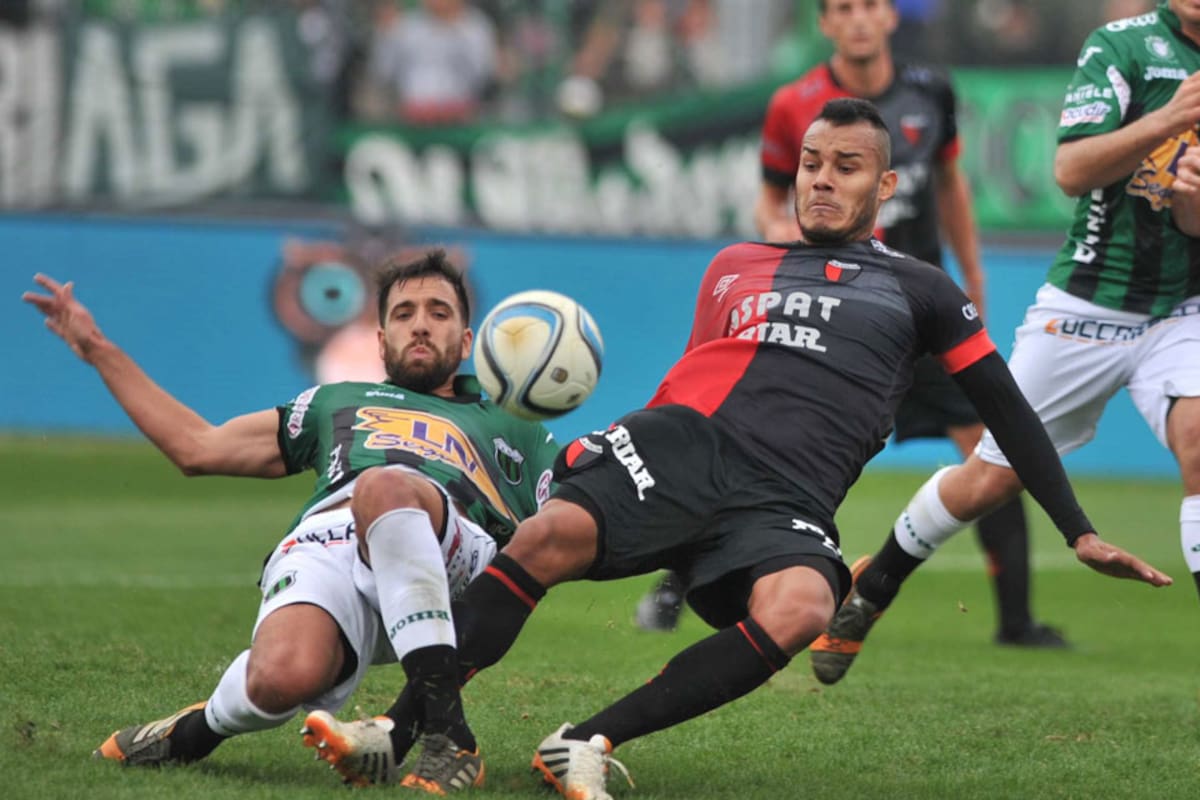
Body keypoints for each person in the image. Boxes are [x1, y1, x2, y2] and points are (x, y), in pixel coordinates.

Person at [301, 99, 1171, 799]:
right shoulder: (734, 265)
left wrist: (1076, 528)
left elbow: (1009, 411)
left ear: (887, 185)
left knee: (802, 609)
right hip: (683, 446)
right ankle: (406, 733)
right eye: (813, 165)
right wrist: (606, 456)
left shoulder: (923, 291)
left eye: (847, 168)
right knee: (547, 538)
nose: (823, 182)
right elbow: (698, 378)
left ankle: (585, 742)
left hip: (786, 496)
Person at [22, 250, 559, 793]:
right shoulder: (337, 402)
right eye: (404, 313)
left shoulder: (514, 425)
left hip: (447, 551)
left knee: (387, 483)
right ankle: (194, 731)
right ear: (380, 341)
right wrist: (97, 349)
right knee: (281, 678)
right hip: (333, 537)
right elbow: (197, 448)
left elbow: (574, 521)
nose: (420, 323)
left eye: (439, 312)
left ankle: (448, 738)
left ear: (468, 342)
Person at [640, 0, 1064, 650]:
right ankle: (675, 577)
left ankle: (1016, 621)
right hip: (830, 312)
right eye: (843, 8)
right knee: (749, 444)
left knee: (991, 450)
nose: (859, 19)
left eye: (870, 6)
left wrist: (971, 275)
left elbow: (950, 181)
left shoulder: (931, 90)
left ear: (891, 19)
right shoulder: (795, 104)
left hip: (913, 312)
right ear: (826, 24)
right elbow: (768, 194)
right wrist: (783, 234)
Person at [811, 0, 1200, 687]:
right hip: (1087, 303)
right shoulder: (1123, 47)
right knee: (991, 477)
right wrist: (1169, 118)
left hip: (1181, 310)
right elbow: (1072, 170)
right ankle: (877, 584)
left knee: (1198, 443)